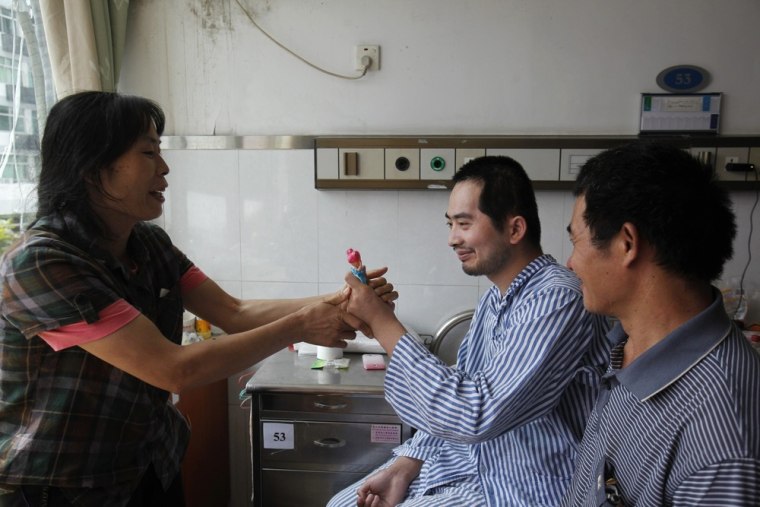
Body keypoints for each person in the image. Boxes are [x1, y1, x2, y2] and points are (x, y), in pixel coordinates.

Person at [0, 91, 397, 506]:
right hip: (60, 485)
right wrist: (301, 324)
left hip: (149, 464)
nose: (165, 169)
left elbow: (234, 312)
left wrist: (345, 301)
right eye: (149, 153)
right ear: (93, 166)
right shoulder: (41, 263)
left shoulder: (150, 246)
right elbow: (172, 369)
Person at [328, 156, 610, 507]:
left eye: (463, 224)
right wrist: (405, 464)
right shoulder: (495, 299)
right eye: (450, 224)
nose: (451, 239)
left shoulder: (558, 298)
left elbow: (476, 413)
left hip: (526, 484)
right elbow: (460, 387)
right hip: (477, 465)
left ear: (515, 229)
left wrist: (383, 324)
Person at [562, 141, 760, 505]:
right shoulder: (628, 344)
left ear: (626, 243)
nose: (570, 264)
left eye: (576, 240)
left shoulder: (719, 444)